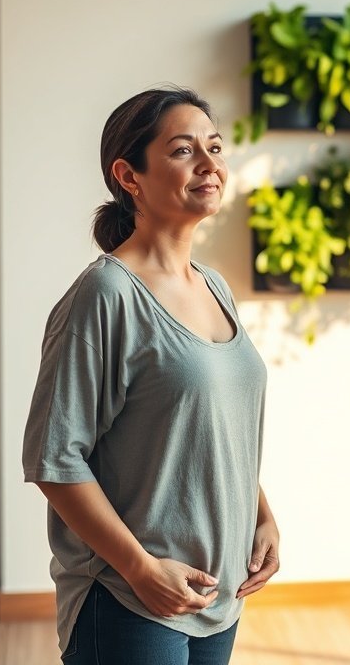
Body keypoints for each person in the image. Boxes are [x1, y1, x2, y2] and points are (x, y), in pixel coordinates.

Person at [22, 86, 279, 664]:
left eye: (215, 147)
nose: (210, 164)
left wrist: (262, 516)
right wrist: (141, 569)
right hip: (130, 595)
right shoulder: (105, 294)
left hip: (217, 587)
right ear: (128, 176)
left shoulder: (213, 286)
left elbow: (213, 428)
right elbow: (54, 459)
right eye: (184, 150)